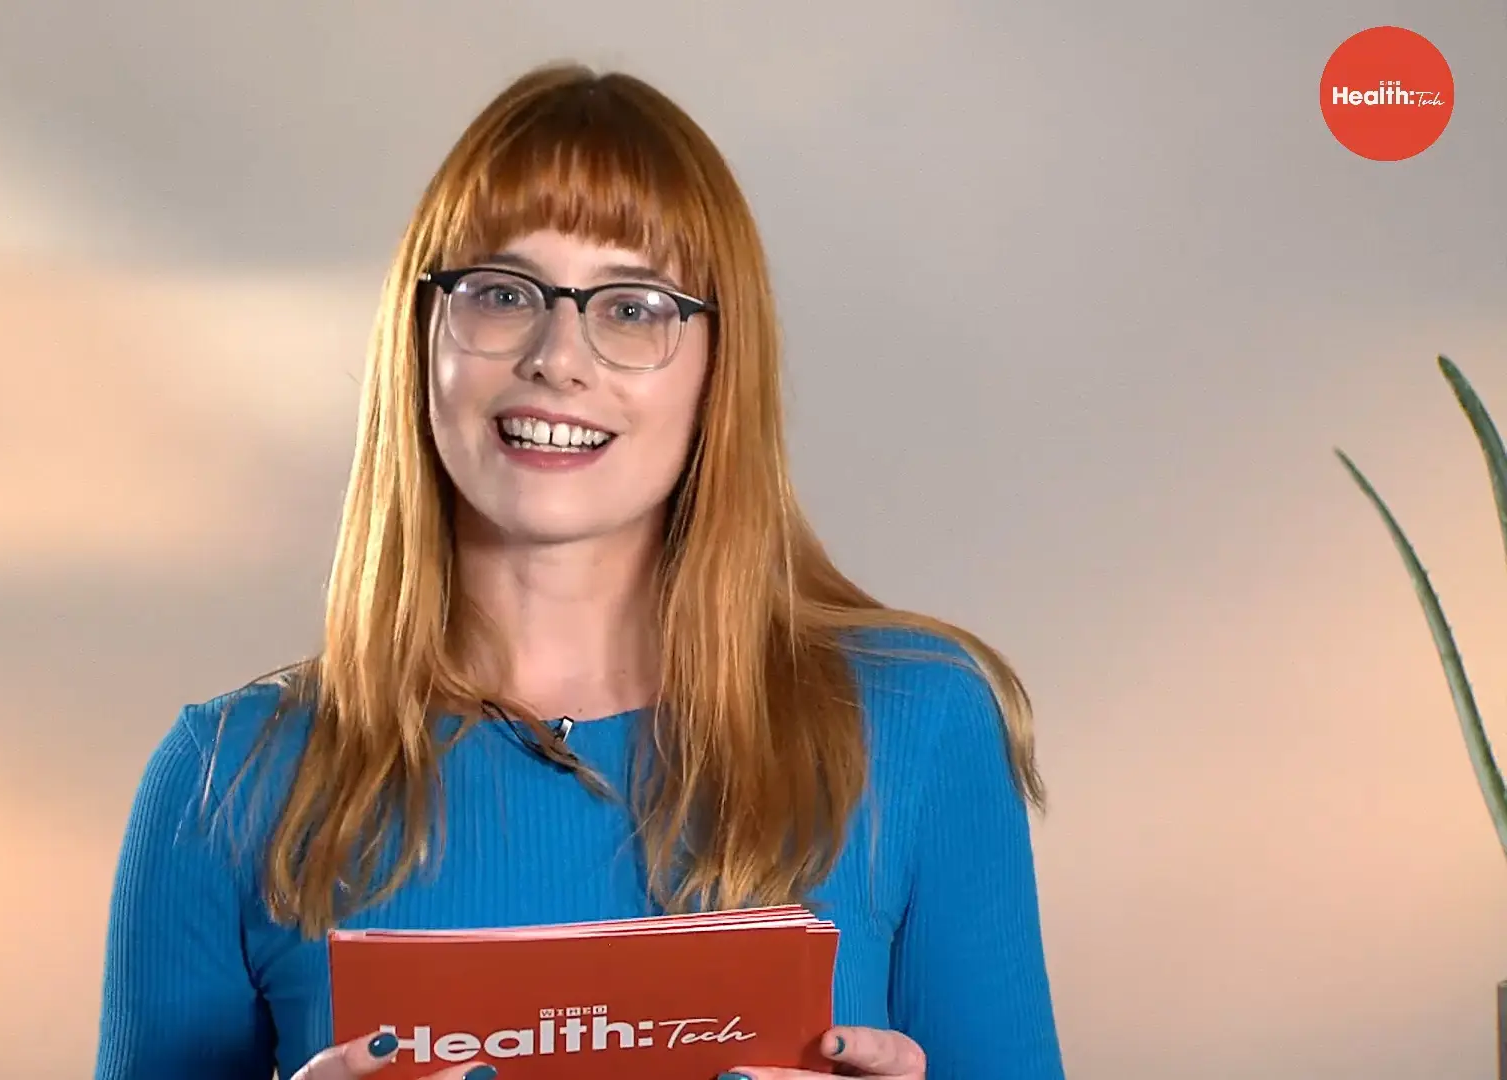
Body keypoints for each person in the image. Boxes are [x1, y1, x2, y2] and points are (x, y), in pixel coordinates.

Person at [95, 62, 1065, 1080]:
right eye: (503, 293)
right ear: (420, 339)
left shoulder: (917, 723)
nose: (560, 356)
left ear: (719, 369)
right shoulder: (225, 780)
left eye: (634, 307)